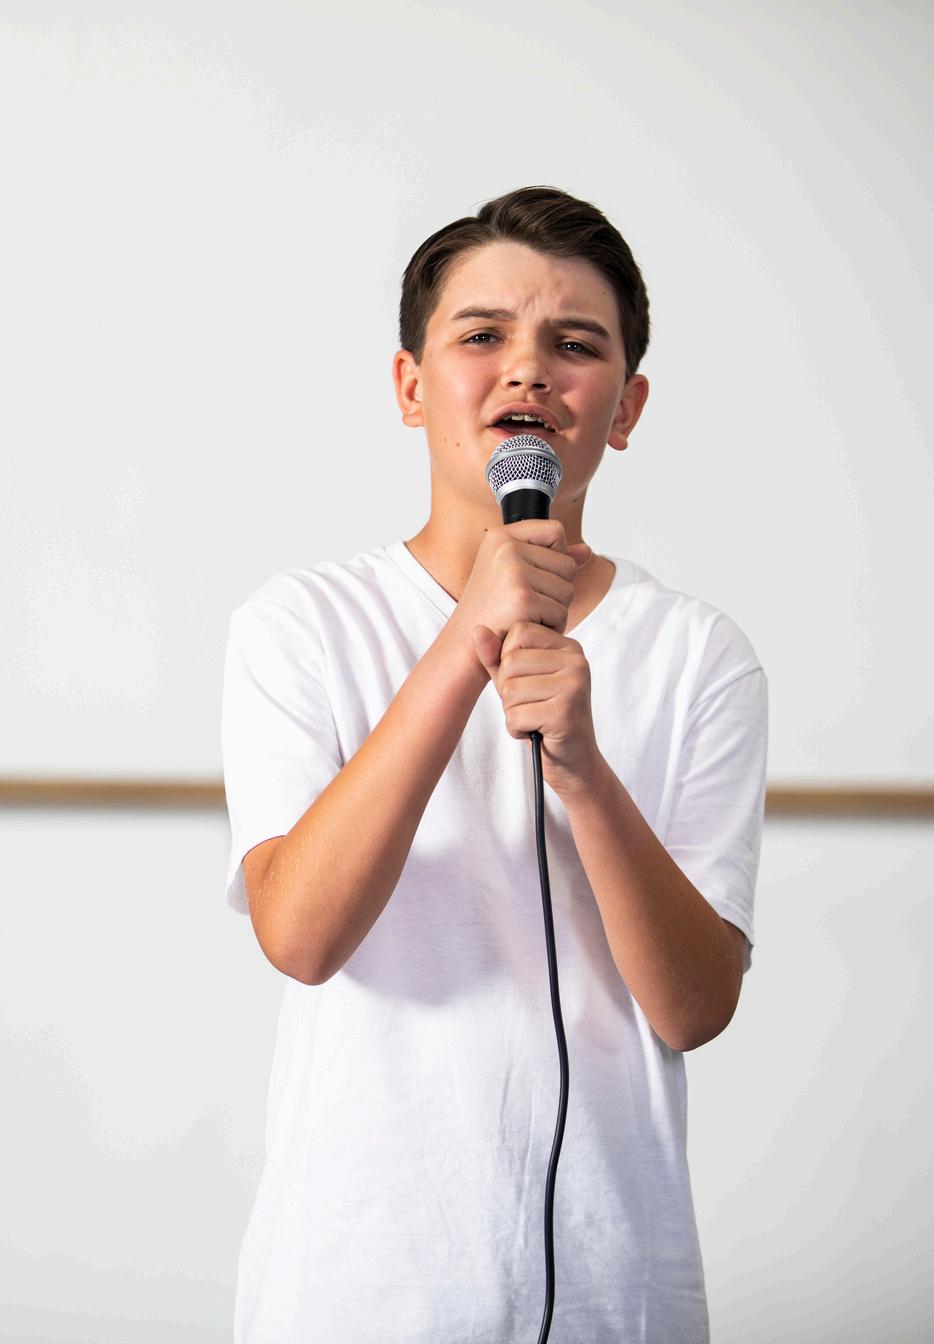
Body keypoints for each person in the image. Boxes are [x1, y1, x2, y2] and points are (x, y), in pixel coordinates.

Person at [219, 185, 767, 1343]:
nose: (528, 370)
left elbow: (694, 1006)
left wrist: (585, 772)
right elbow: (301, 935)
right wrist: (469, 631)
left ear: (626, 407)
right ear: (411, 387)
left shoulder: (698, 654)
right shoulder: (301, 624)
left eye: (577, 346)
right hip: (361, 1288)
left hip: (618, 1292)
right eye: (482, 336)